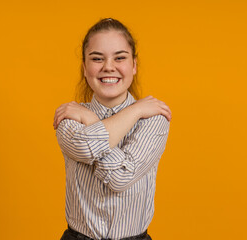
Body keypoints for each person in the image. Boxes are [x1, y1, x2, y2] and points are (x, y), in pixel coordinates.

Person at [54, 18, 171, 240]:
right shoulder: (69, 118)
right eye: (97, 58)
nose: (108, 66)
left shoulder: (154, 119)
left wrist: (91, 120)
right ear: (84, 67)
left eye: (120, 58)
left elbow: (119, 178)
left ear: (134, 65)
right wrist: (134, 111)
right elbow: (87, 146)